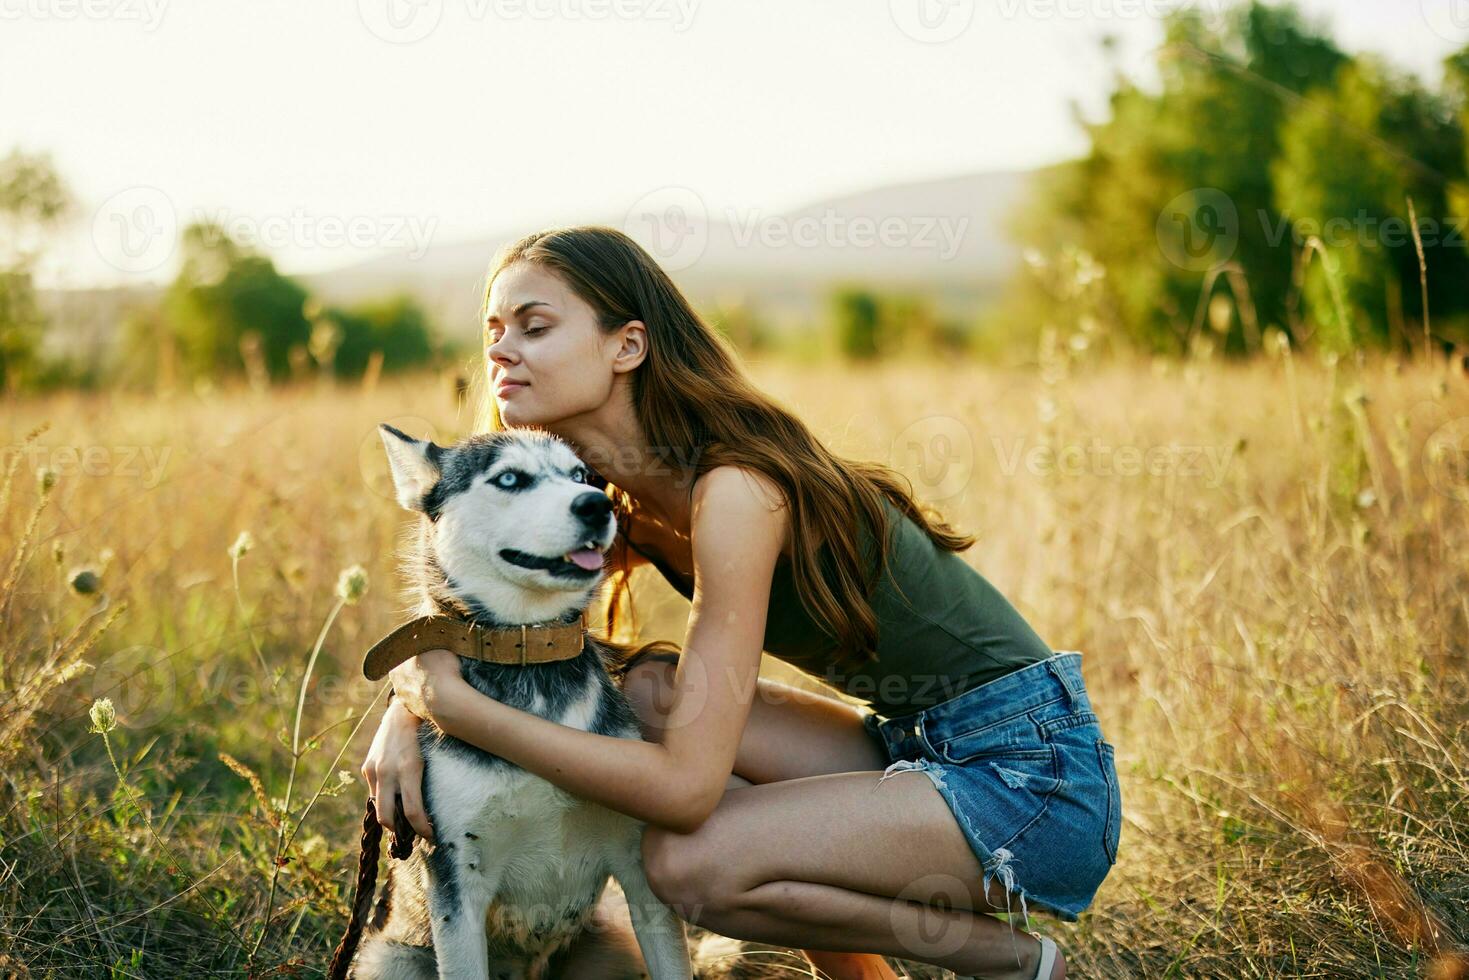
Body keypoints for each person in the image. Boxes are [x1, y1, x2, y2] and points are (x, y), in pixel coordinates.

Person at [360, 225, 1122, 979]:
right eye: (493, 329)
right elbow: (509, 634)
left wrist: (457, 712)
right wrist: (409, 706)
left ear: (627, 347)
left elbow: (687, 793)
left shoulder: (733, 490)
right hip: (913, 742)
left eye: (534, 326)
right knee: (651, 689)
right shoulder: (608, 495)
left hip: (1032, 777)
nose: (498, 350)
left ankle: (1010, 963)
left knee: (689, 862)